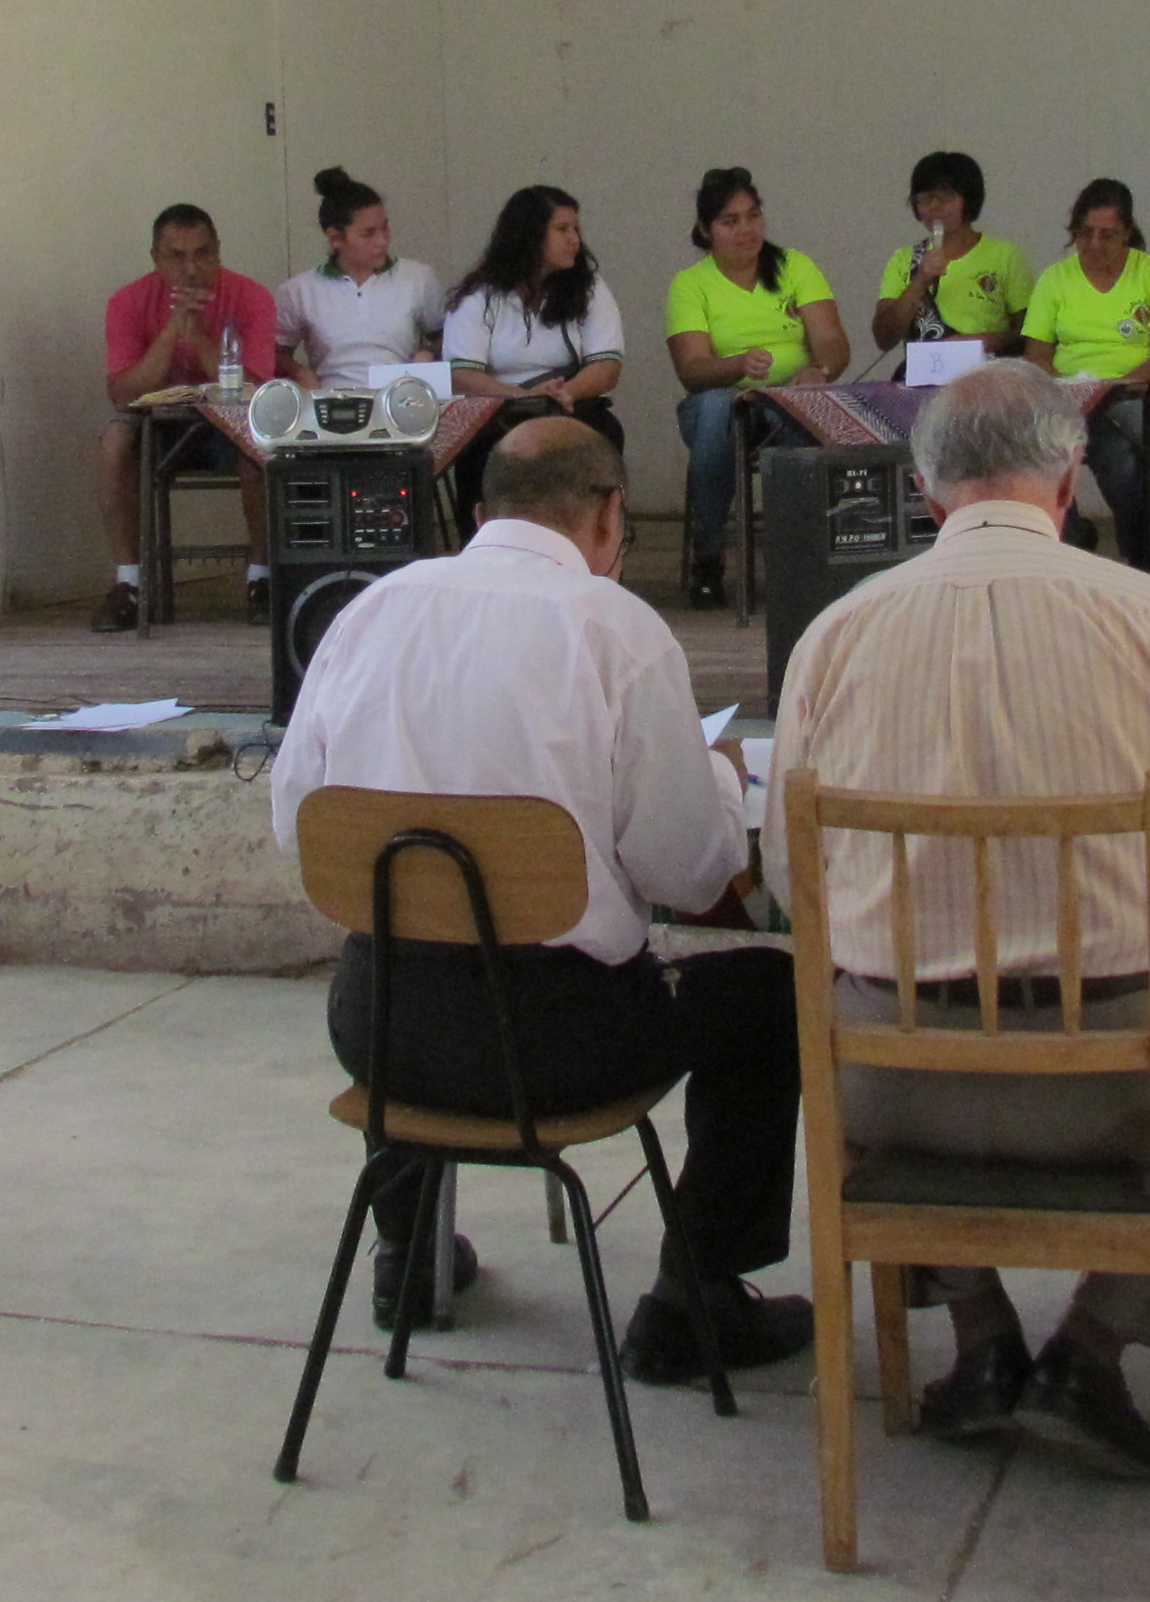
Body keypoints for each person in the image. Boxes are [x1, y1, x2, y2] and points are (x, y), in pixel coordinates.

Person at [767, 360, 1150, 1476]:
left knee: (854, 1012)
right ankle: (1093, 1344)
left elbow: (790, 878)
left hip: (890, 1084)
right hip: (1117, 1087)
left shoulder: (835, 633)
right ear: (1070, 479)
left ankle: (979, 1338)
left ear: (925, 492)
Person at [269, 418, 815, 1382]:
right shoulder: (615, 630)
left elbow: (297, 824)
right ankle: (694, 1301)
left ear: (482, 515)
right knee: (770, 1001)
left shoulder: (369, 610)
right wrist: (721, 781)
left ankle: (409, 1253)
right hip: (559, 1046)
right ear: (610, 514)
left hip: (379, 1029)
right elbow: (689, 872)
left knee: (417, 925)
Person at [92, 204, 296, 633]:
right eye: (176, 256)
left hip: (228, 426)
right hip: (158, 428)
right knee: (113, 441)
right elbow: (123, 394)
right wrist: (172, 330)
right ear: (155, 258)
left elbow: (255, 391)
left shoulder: (250, 296)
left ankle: (261, 577)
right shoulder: (128, 301)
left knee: (260, 443)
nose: (190, 269)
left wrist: (199, 334)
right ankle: (129, 582)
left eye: (202, 255)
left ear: (218, 252)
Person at [663, 167, 847, 608]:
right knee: (715, 412)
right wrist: (737, 366)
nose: (746, 229)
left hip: (787, 400)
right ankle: (709, 556)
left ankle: (799, 559)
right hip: (720, 404)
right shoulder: (690, 285)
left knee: (803, 415)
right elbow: (691, 370)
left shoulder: (796, 266)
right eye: (731, 221)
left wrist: (819, 370)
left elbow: (833, 343)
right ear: (706, 229)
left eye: (753, 216)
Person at [1020, 178, 1150, 567]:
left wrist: (1116, 388)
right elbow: (1037, 354)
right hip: (1071, 400)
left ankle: (1077, 543)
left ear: (1127, 233)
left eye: (1107, 235)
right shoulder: (1055, 278)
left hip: (1138, 399)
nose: (1094, 244)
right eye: (1086, 234)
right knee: (1106, 453)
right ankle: (1141, 557)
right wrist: (1064, 389)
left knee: (1102, 436)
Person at [441, 184, 628, 524]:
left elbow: (607, 365)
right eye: (562, 229)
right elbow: (461, 374)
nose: (575, 239)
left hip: (568, 405)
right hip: (498, 412)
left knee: (604, 431)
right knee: (477, 452)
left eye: (576, 229)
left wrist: (565, 393)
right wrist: (523, 398)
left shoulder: (590, 288)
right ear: (529, 235)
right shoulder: (479, 296)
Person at [274, 167, 450, 390]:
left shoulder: (417, 277)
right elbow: (275, 352)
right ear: (335, 238)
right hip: (332, 399)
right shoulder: (300, 290)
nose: (382, 241)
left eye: (385, 229)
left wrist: (429, 353)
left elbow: (449, 339)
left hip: (401, 398)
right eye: (369, 233)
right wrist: (300, 372)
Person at [869, 150, 1033, 359]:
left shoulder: (1005, 256)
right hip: (924, 374)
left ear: (969, 199)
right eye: (924, 198)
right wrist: (920, 281)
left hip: (987, 370)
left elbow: (1029, 334)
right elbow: (884, 338)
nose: (933, 206)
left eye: (945, 196)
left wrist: (991, 341)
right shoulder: (903, 259)